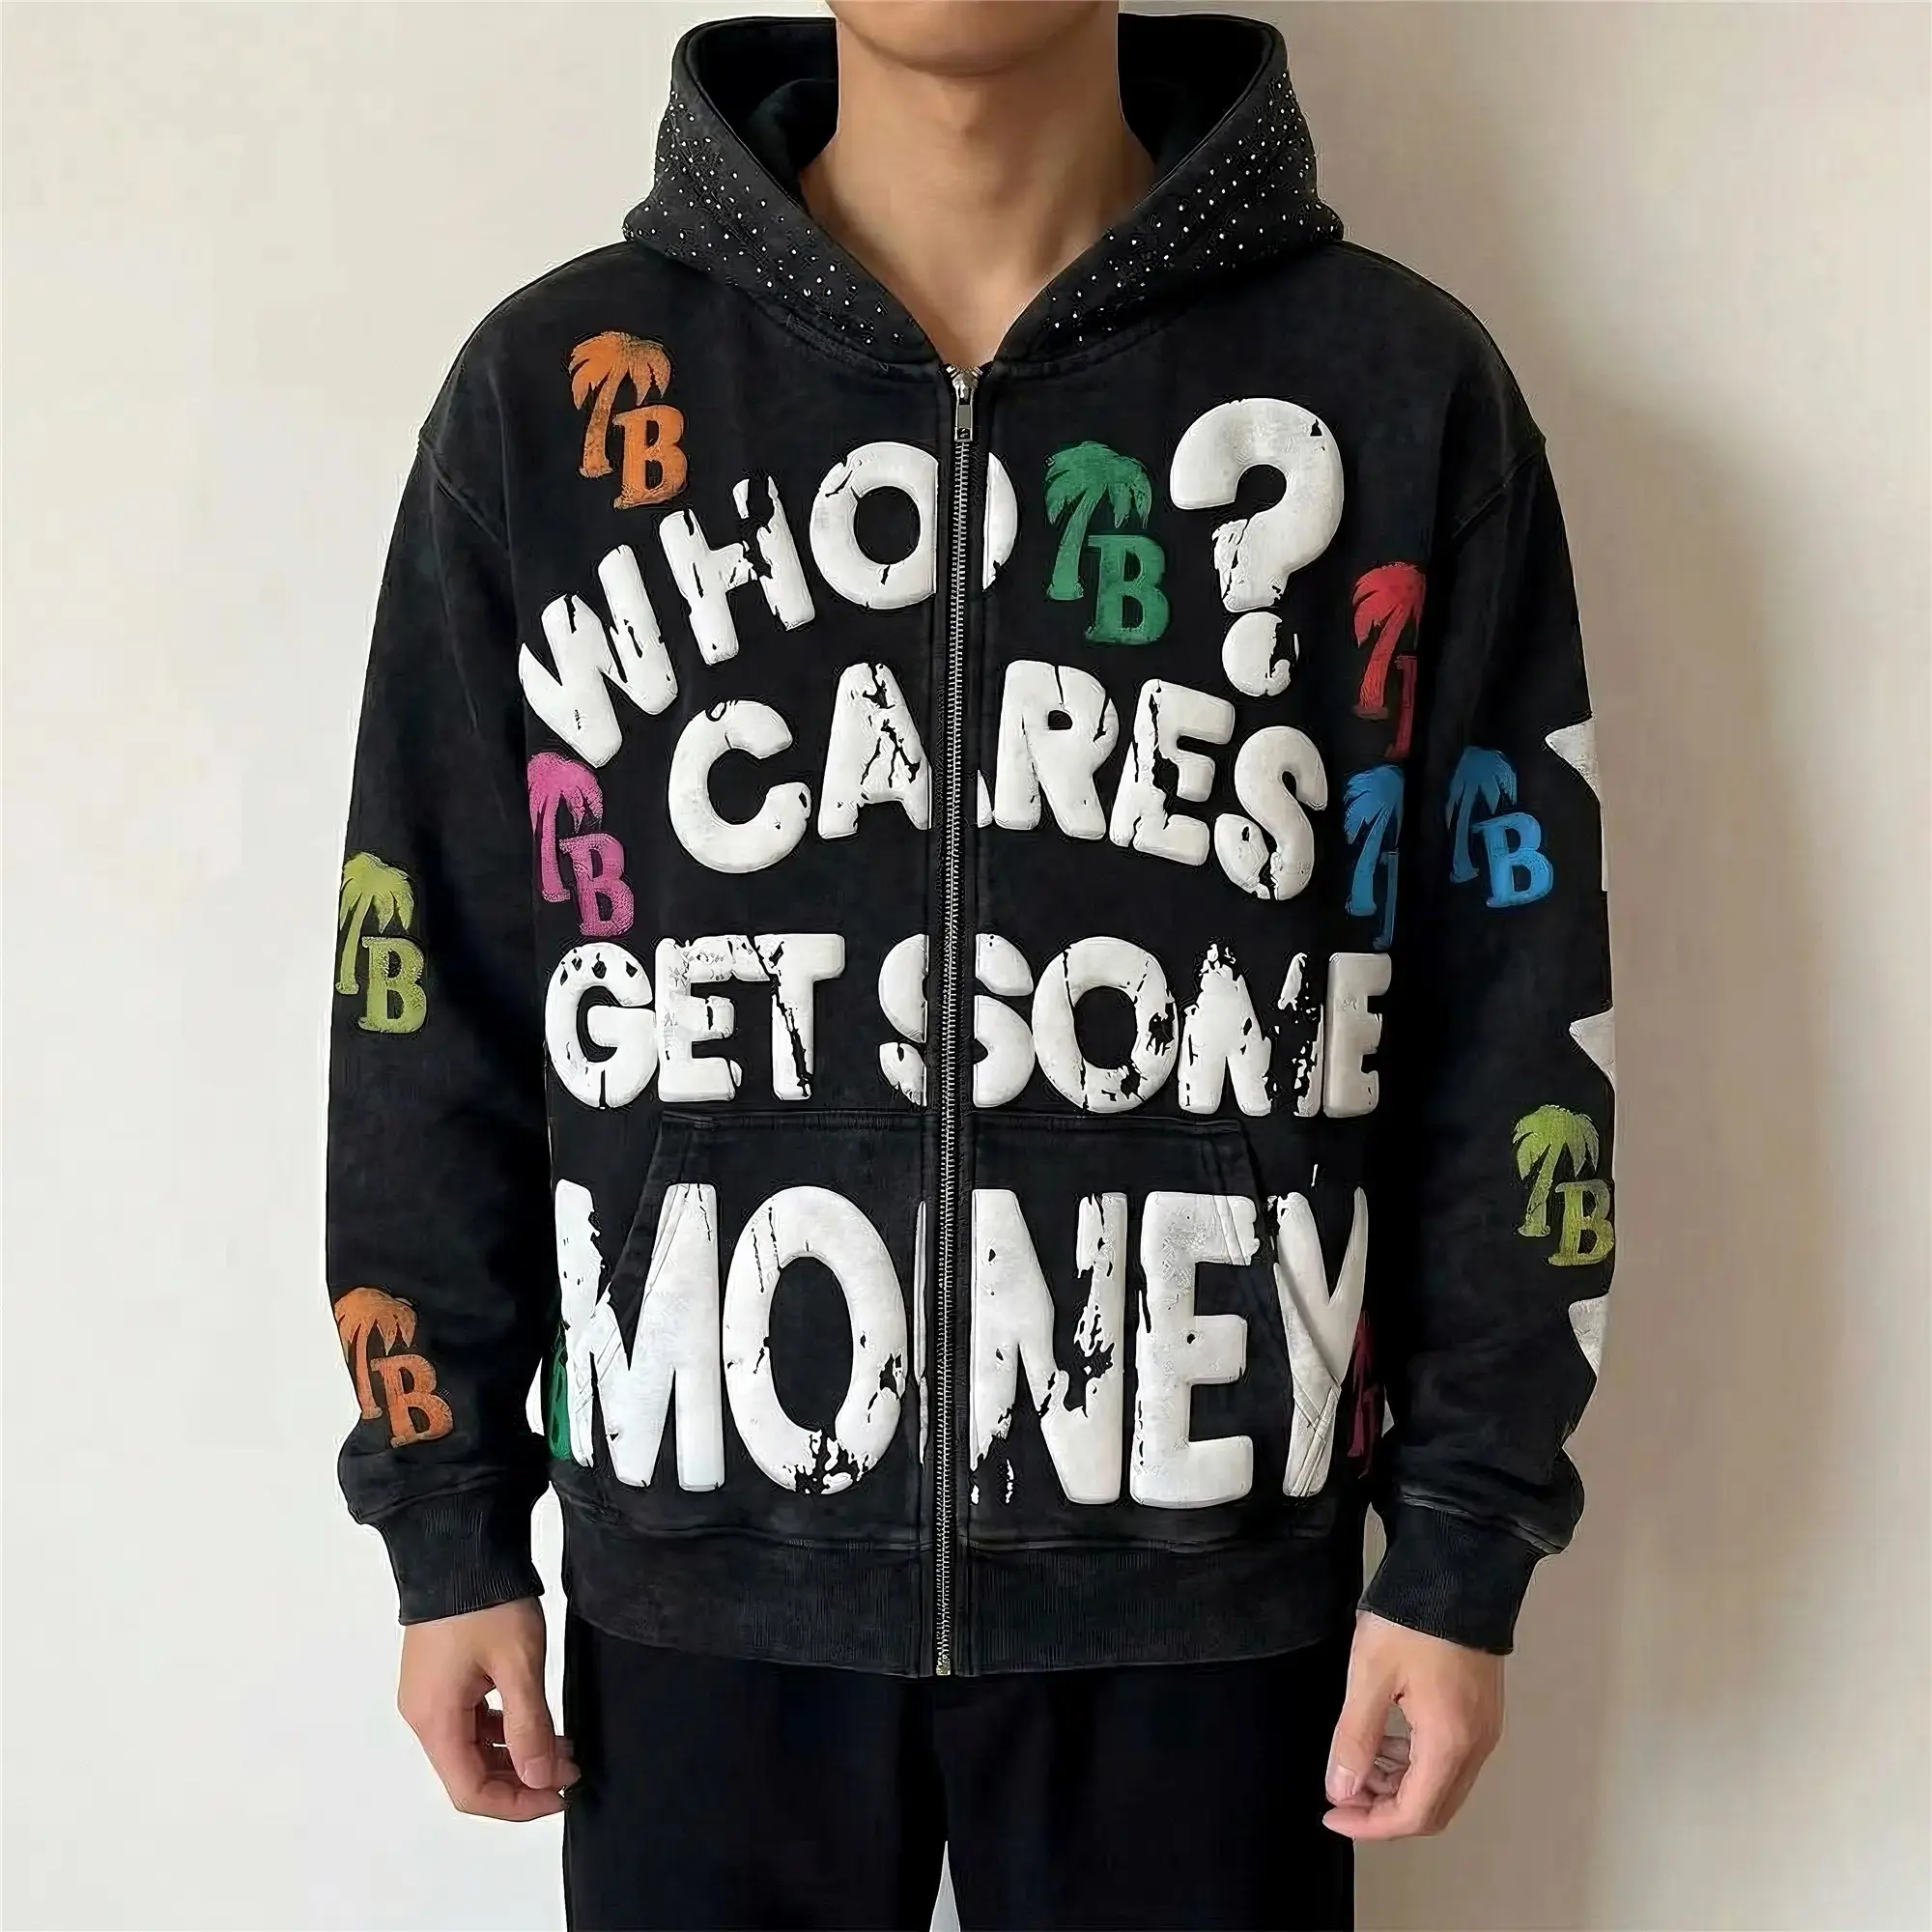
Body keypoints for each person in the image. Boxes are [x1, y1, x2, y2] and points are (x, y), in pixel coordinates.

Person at [324, 3, 1616, 1925]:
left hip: (1208, 1595)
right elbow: (431, 985)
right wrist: (446, 1522)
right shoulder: (542, 398)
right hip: (702, 1579)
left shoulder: (1398, 391)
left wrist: (1461, 1537)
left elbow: (1505, 1011)